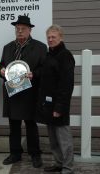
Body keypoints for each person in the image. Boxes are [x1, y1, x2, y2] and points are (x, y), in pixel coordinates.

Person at [0, 15, 47, 168]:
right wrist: (1, 70)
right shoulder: (7, 47)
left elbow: (44, 69)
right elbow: (2, 64)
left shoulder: (40, 47)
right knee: (13, 125)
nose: (19, 31)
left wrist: (35, 74)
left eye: (23, 29)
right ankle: (15, 153)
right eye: (17, 29)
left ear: (29, 30)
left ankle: (35, 154)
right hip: (12, 91)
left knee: (31, 125)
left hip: (30, 92)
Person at [37, 25, 75, 174]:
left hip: (59, 105)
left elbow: (67, 84)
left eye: (53, 37)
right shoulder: (49, 55)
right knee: (53, 138)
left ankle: (68, 167)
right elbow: (44, 73)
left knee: (64, 139)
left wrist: (59, 108)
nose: (50, 39)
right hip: (48, 104)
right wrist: (34, 74)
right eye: (48, 37)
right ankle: (59, 163)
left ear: (61, 38)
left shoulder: (65, 56)